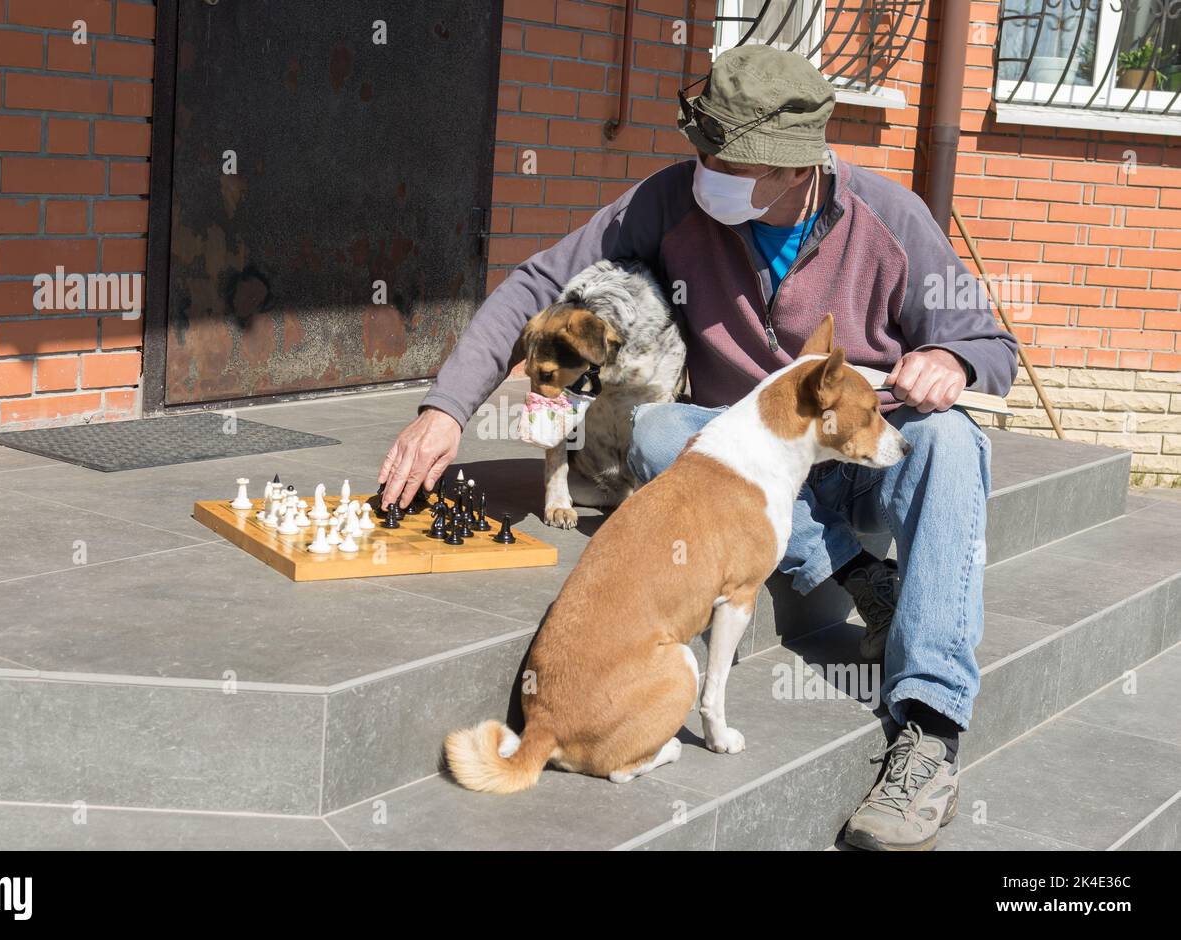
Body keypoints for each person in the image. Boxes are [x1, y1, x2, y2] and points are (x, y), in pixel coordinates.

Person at [378, 44, 1017, 851]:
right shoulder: (670, 201)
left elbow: (994, 345)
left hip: (861, 454)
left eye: (728, 159)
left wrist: (952, 360)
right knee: (657, 429)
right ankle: (853, 576)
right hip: (747, 478)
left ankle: (927, 729)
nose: (703, 169)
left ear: (795, 167)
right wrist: (446, 409)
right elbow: (537, 286)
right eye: (702, 149)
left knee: (954, 444)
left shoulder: (891, 220)